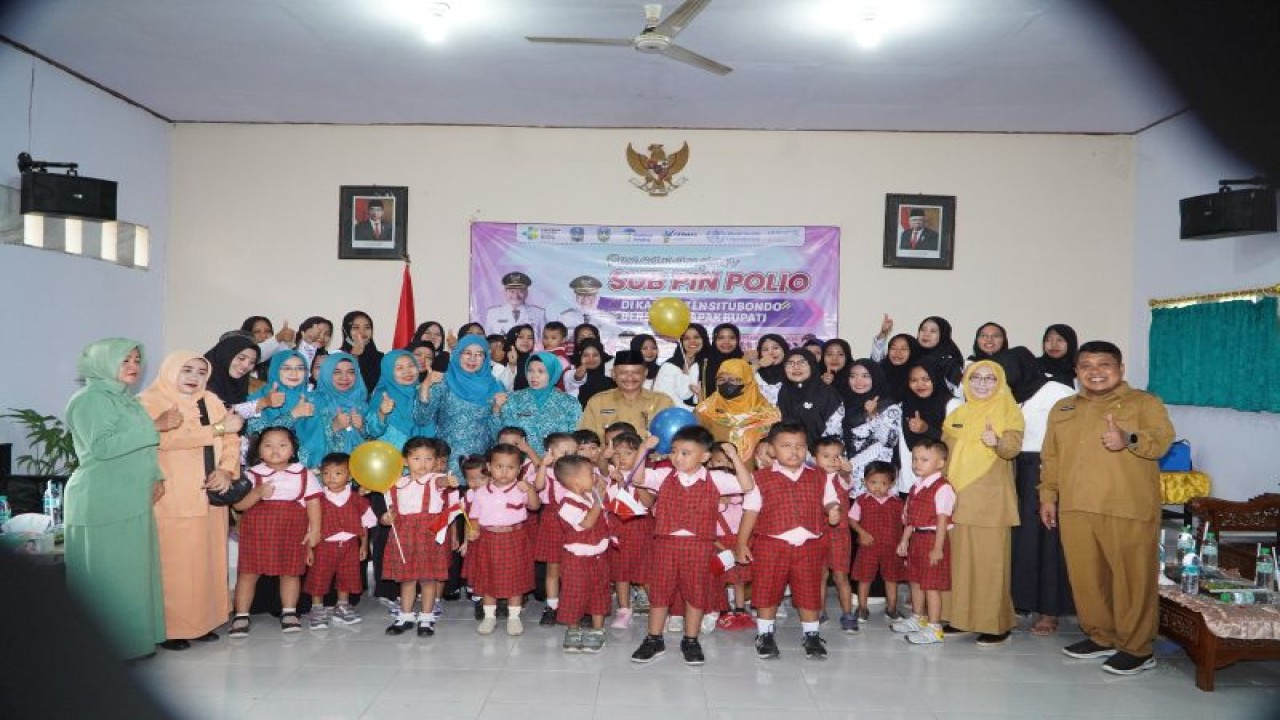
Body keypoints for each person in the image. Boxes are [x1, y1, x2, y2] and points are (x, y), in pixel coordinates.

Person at [1039, 340, 1174, 676]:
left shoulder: (1144, 402)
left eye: (1104, 365)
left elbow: (1162, 440)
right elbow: (1051, 456)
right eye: (1086, 365)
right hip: (1076, 506)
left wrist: (1128, 439)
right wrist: (1047, 495)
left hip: (1126, 505)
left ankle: (1138, 648)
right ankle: (1102, 637)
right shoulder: (1064, 408)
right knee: (1087, 579)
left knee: (1132, 579)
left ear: (1120, 369)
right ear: (1076, 371)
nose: (1095, 372)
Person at [62, 339, 167, 660]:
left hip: (131, 494)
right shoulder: (88, 400)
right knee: (110, 577)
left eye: (137, 359)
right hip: (102, 497)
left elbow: (142, 447)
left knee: (134, 573)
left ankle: (135, 642)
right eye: (125, 361)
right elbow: (102, 448)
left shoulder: (126, 400)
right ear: (103, 363)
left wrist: (156, 476)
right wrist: (155, 425)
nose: (134, 366)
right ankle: (109, 650)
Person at [139, 351, 242, 650]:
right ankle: (172, 628)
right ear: (170, 370)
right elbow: (165, 439)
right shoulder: (150, 401)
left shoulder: (210, 400)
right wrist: (219, 429)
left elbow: (232, 439)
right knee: (176, 565)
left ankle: (202, 622)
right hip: (174, 496)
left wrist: (226, 470)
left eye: (200, 371)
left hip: (211, 492)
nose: (194, 377)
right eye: (187, 370)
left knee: (208, 560)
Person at [629, 427, 753, 666]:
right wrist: (644, 449)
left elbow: (746, 485)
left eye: (686, 453)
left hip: (699, 545)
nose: (678, 457)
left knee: (696, 593)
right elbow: (637, 478)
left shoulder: (715, 478)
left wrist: (734, 457)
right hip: (666, 543)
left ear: (705, 457)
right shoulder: (664, 475)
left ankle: (691, 639)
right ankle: (654, 638)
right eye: (674, 451)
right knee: (660, 592)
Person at [737, 421, 842, 661]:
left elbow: (830, 500)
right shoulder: (760, 478)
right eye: (786, 446)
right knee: (767, 589)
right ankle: (765, 634)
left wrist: (833, 510)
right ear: (772, 450)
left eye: (800, 446)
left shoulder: (819, 476)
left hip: (809, 545)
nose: (794, 451)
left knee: (809, 589)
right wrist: (741, 543)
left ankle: (812, 635)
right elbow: (751, 511)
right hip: (771, 544)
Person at [941, 361, 1024, 647]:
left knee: (990, 564)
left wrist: (996, 441)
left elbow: (1012, 448)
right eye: (976, 377)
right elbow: (943, 457)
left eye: (990, 379)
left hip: (990, 502)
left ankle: (995, 624)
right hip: (957, 499)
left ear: (1000, 382)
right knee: (959, 563)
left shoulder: (1008, 411)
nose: (982, 383)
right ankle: (958, 619)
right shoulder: (957, 415)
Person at [228, 427, 322, 637]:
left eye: (282, 445)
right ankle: (241, 615)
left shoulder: (304, 474)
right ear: (259, 451)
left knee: (290, 572)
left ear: (293, 450)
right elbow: (239, 506)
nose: (275, 450)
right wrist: (257, 493)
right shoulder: (252, 475)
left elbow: (314, 503)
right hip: (257, 532)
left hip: (292, 530)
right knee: (248, 573)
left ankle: (289, 612)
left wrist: (315, 530)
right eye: (268, 445)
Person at [382, 438, 460, 638]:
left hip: (428, 535)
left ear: (435, 462)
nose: (423, 463)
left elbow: (442, 482)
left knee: (428, 578)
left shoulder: (435, 480)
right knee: (406, 579)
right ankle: (405, 616)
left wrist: (448, 481)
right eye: (416, 458)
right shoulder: (396, 484)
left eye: (428, 459)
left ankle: (426, 617)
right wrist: (385, 518)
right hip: (404, 535)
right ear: (406, 461)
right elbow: (390, 512)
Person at [466, 443, 541, 636]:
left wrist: (530, 489)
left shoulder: (521, 488)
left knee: (515, 580)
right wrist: (472, 531)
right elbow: (474, 516)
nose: (505, 472)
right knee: (487, 578)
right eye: (500, 466)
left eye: (511, 467)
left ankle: (514, 617)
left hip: (514, 537)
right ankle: (489, 617)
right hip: (488, 538)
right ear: (489, 467)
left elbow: (534, 506)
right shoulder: (481, 492)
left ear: (519, 469)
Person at [890, 440, 955, 645]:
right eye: (915, 459)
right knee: (915, 581)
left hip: (932, 539)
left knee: (931, 585)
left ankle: (935, 628)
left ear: (940, 463)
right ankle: (918, 618)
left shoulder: (942, 487)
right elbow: (911, 518)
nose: (917, 463)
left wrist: (938, 548)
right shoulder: (916, 486)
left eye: (924, 460)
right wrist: (904, 540)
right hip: (917, 538)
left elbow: (943, 519)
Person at [413, 335, 505, 475]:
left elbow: (499, 434)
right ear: (457, 354)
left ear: (485, 358)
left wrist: (496, 410)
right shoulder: (442, 382)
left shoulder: (496, 386)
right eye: (467, 353)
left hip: (479, 466)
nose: (472, 359)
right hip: (445, 462)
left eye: (479, 354)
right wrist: (425, 386)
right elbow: (421, 418)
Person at [303, 452, 374, 630]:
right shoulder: (316, 499)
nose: (331, 478)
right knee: (319, 576)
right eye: (326, 473)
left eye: (338, 473)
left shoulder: (358, 499)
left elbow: (365, 524)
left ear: (349, 476)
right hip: (323, 545)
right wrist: (309, 549)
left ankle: (342, 605)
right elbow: (309, 526)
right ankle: (317, 608)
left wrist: (364, 545)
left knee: (347, 576)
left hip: (350, 545)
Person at [552, 454, 612, 654]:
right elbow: (586, 523)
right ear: (575, 480)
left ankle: (597, 630)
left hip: (598, 555)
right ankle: (573, 629)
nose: (594, 477)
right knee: (574, 593)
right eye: (590, 473)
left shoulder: (590, 494)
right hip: (576, 559)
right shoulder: (567, 504)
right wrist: (598, 502)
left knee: (599, 591)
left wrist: (600, 493)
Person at [602, 431, 654, 630]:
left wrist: (633, 483)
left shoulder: (647, 475)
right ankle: (624, 610)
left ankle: (658, 607)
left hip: (640, 527)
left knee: (645, 571)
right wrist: (616, 481)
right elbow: (609, 500)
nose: (621, 458)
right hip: (617, 528)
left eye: (628, 453)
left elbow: (648, 503)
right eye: (617, 453)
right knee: (620, 572)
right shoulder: (609, 475)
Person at [529, 433, 581, 627]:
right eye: (564, 452)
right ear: (550, 452)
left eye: (573, 452)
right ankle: (552, 606)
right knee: (553, 568)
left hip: (574, 521)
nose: (569, 456)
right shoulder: (548, 472)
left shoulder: (578, 472)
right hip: (552, 521)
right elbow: (538, 485)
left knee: (573, 568)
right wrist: (543, 465)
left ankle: (574, 605)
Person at [848, 461, 907, 625]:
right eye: (873, 482)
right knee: (864, 578)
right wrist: (862, 533)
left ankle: (892, 608)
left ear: (892, 483)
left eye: (883, 483)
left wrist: (904, 542)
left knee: (891, 578)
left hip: (891, 548)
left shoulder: (897, 503)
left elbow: (907, 523)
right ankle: (862, 607)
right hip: (868, 547)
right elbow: (851, 520)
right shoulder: (861, 501)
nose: (878, 487)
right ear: (865, 481)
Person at [492, 353, 582, 456]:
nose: (534, 375)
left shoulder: (569, 403)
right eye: (530, 370)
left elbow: (574, 440)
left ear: (552, 373)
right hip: (520, 465)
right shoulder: (513, 399)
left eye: (541, 371)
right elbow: (500, 436)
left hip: (556, 467)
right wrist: (496, 410)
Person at [694, 358, 780, 462]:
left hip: (756, 474)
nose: (726, 383)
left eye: (734, 379)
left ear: (748, 380)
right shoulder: (705, 410)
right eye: (721, 379)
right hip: (717, 472)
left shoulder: (768, 414)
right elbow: (695, 443)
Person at [896, 361, 962, 495]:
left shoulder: (953, 405)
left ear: (936, 378)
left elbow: (957, 444)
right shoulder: (904, 406)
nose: (919, 384)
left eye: (926, 379)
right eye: (913, 380)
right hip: (909, 481)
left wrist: (927, 430)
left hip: (942, 483)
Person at [813, 437, 857, 633]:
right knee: (820, 575)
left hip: (839, 533)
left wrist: (846, 470)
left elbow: (847, 479)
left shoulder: (841, 477)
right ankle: (820, 611)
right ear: (815, 458)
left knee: (841, 576)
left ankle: (848, 614)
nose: (831, 460)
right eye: (825, 456)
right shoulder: (811, 477)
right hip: (817, 532)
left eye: (836, 456)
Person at [838, 359, 902, 492]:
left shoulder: (889, 407)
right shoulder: (844, 403)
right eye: (853, 376)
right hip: (848, 476)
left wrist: (874, 416)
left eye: (865, 376)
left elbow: (890, 442)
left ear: (876, 377)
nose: (858, 381)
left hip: (877, 479)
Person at [579, 350, 674, 439]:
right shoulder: (597, 402)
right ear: (613, 374)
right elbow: (586, 439)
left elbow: (673, 439)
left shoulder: (663, 402)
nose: (629, 377)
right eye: (623, 373)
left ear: (645, 373)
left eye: (636, 372)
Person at [366, 350, 440, 450]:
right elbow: (371, 431)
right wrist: (382, 413)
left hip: (421, 459)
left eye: (411, 365)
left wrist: (425, 390)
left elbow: (432, 428)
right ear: (388, 371)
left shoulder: (424, 392)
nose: (407, 371)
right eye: (399, 368)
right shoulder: (382, 395)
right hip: (390, 459)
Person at [774, 348, 844, 445]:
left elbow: (835, 433)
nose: (796, 367)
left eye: (802, 362)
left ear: (812, 365)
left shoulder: (828, 394)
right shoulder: (783, 392)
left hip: (822, 453)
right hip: (790, 453)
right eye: (790, 363)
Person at [309, 352, 371, 458]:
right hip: (326, 468)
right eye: (336, 372)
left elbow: (371, 438)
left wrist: (361, 428)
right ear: (326, 373)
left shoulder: (361, 403)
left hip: (359, 465)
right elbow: (305, 438)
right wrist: (334, 427)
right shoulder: (313, 401)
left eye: (351, 372)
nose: (344, 377)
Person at [653, 324, 711, 408]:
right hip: (674, 416)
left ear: (704, 339)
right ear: (681, 342)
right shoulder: (670, 365)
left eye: (696, 337)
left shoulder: (711, 363)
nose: (692, 341)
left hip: (708, 417)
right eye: (687, 338)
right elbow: (662, 398)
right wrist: (685, 370)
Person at [203, 334, 261, 417]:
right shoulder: (199, 386)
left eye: (252, 362)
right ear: (225, 354)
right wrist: (262, 403)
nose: (246, 365)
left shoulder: (240, 384)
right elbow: (204, 427)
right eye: (241, 358)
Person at [485, 271, 546, 336]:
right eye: (512, 291)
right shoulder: (493, 313)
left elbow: (544, 340)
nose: (516, 296)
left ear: (526, 292)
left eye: (520, 291)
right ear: (505, 292)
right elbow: (487, 340)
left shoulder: (539, 314)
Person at [564, 338, 615, 408]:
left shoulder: (611, 379)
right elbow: (574, 381)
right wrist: (577, 377)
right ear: (580, 357)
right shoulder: (570, 374)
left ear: (601, 357)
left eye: (595, 355)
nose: (591, 359)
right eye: (586, 355)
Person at [340, 310, 384, 389]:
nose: (362, 332)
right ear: (346, 330)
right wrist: (353, 356)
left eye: (367, 327)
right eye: (356, 327)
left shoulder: (381, 358)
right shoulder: (336, 356)